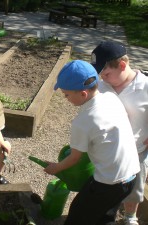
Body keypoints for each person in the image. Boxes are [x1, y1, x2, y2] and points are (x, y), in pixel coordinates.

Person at [45, 60, 140, 225]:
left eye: (66, 95)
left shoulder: (83, 121)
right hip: (131, 175)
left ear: (83, 94)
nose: (66, 99)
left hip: (110, 181)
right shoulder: (110, 96)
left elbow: (75, 158)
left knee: (78, 215)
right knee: (104, 214)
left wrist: (56, 167)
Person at [91, 41, 148, 225]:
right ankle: (106, 214)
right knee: (106, 185)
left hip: (136, 150)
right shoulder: (103, 85)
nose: (103, 78)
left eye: (106, 73)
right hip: (108, 149)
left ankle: (130, 217)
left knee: (135, 188)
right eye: (101, 75)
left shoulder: (145, 87)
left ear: (122, 65)